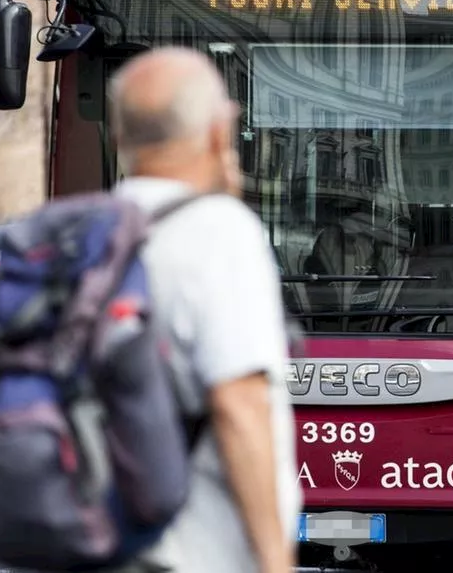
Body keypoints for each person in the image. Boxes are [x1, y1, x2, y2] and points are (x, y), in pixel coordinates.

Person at [107, 47, 300, 573]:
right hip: (195, 554)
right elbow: (239, 406)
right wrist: (275, 562)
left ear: (120, 139)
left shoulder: (92, 229)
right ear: (219, 133)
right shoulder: (218, 232)